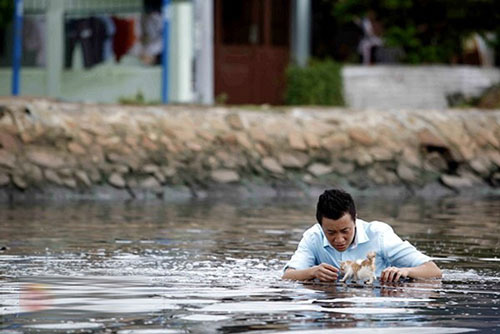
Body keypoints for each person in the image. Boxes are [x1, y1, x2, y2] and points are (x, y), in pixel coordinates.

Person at [282, 188, 442, 282]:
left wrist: (406, 271)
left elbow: (434, 271)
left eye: (345, 231)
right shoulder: (313, 237)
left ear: (355, 219)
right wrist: (312, 272)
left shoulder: (379, 234)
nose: (339, 240)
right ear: (320, 225)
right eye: (330, 232)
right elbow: (288, 276)